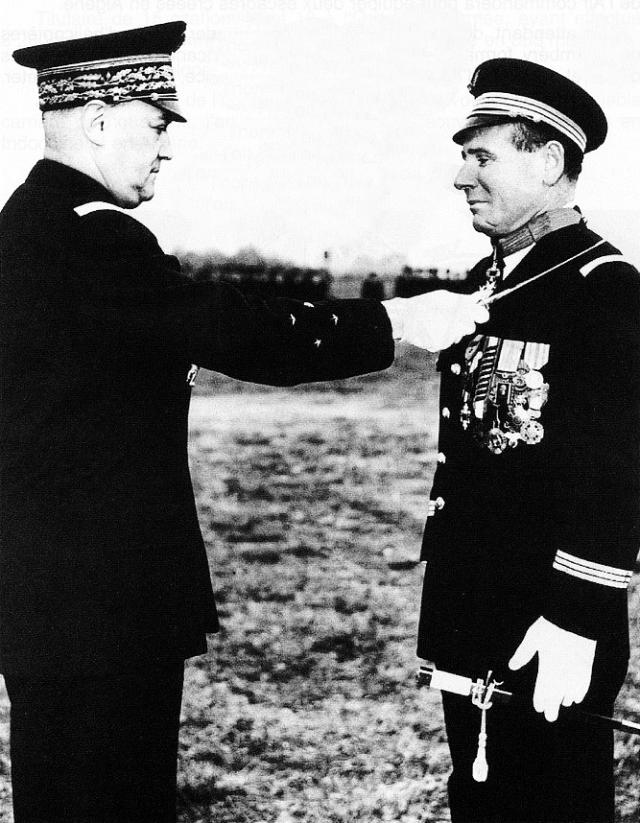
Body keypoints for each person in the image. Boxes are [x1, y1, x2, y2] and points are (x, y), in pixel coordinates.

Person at [0, 21, 488, 823]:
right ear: (96, 121)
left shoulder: (31, 221)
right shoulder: (90, 235)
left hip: (58, 599)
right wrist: (396, 323)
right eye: (156, 125)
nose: (165, 149)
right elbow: (233, 329)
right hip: (101, 610)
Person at [416, 57, 640, 822]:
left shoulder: (603, 289)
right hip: (473, 610)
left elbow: (620, 469)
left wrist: (577, 613)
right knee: (482, 800)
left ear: (548, 163)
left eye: (482, 155)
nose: (460, 175)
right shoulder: (493, 278)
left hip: (549, 620)